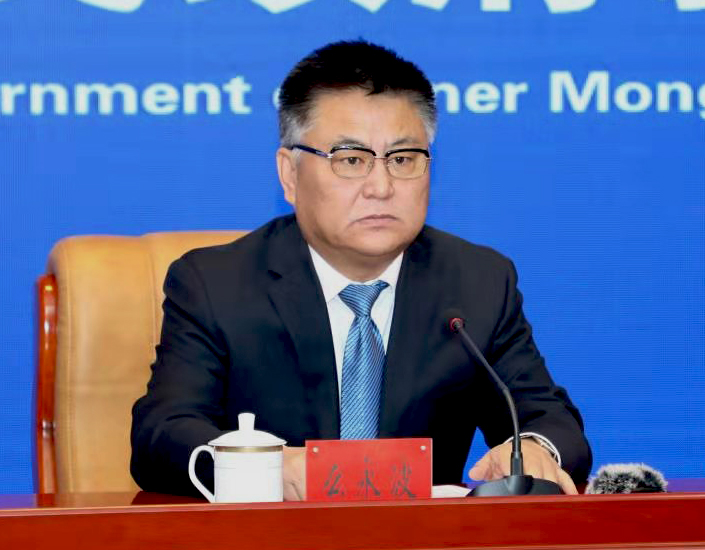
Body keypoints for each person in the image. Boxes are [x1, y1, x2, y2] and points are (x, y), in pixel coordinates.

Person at [131, 40, 591, 500]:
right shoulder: (215, 284)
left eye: (403, 159)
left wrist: (535, 450)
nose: (381, 186)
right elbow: (162, 434)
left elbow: (549, 420)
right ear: (290, 174)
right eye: (351, 160)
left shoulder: (478, 281)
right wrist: (266, 468)